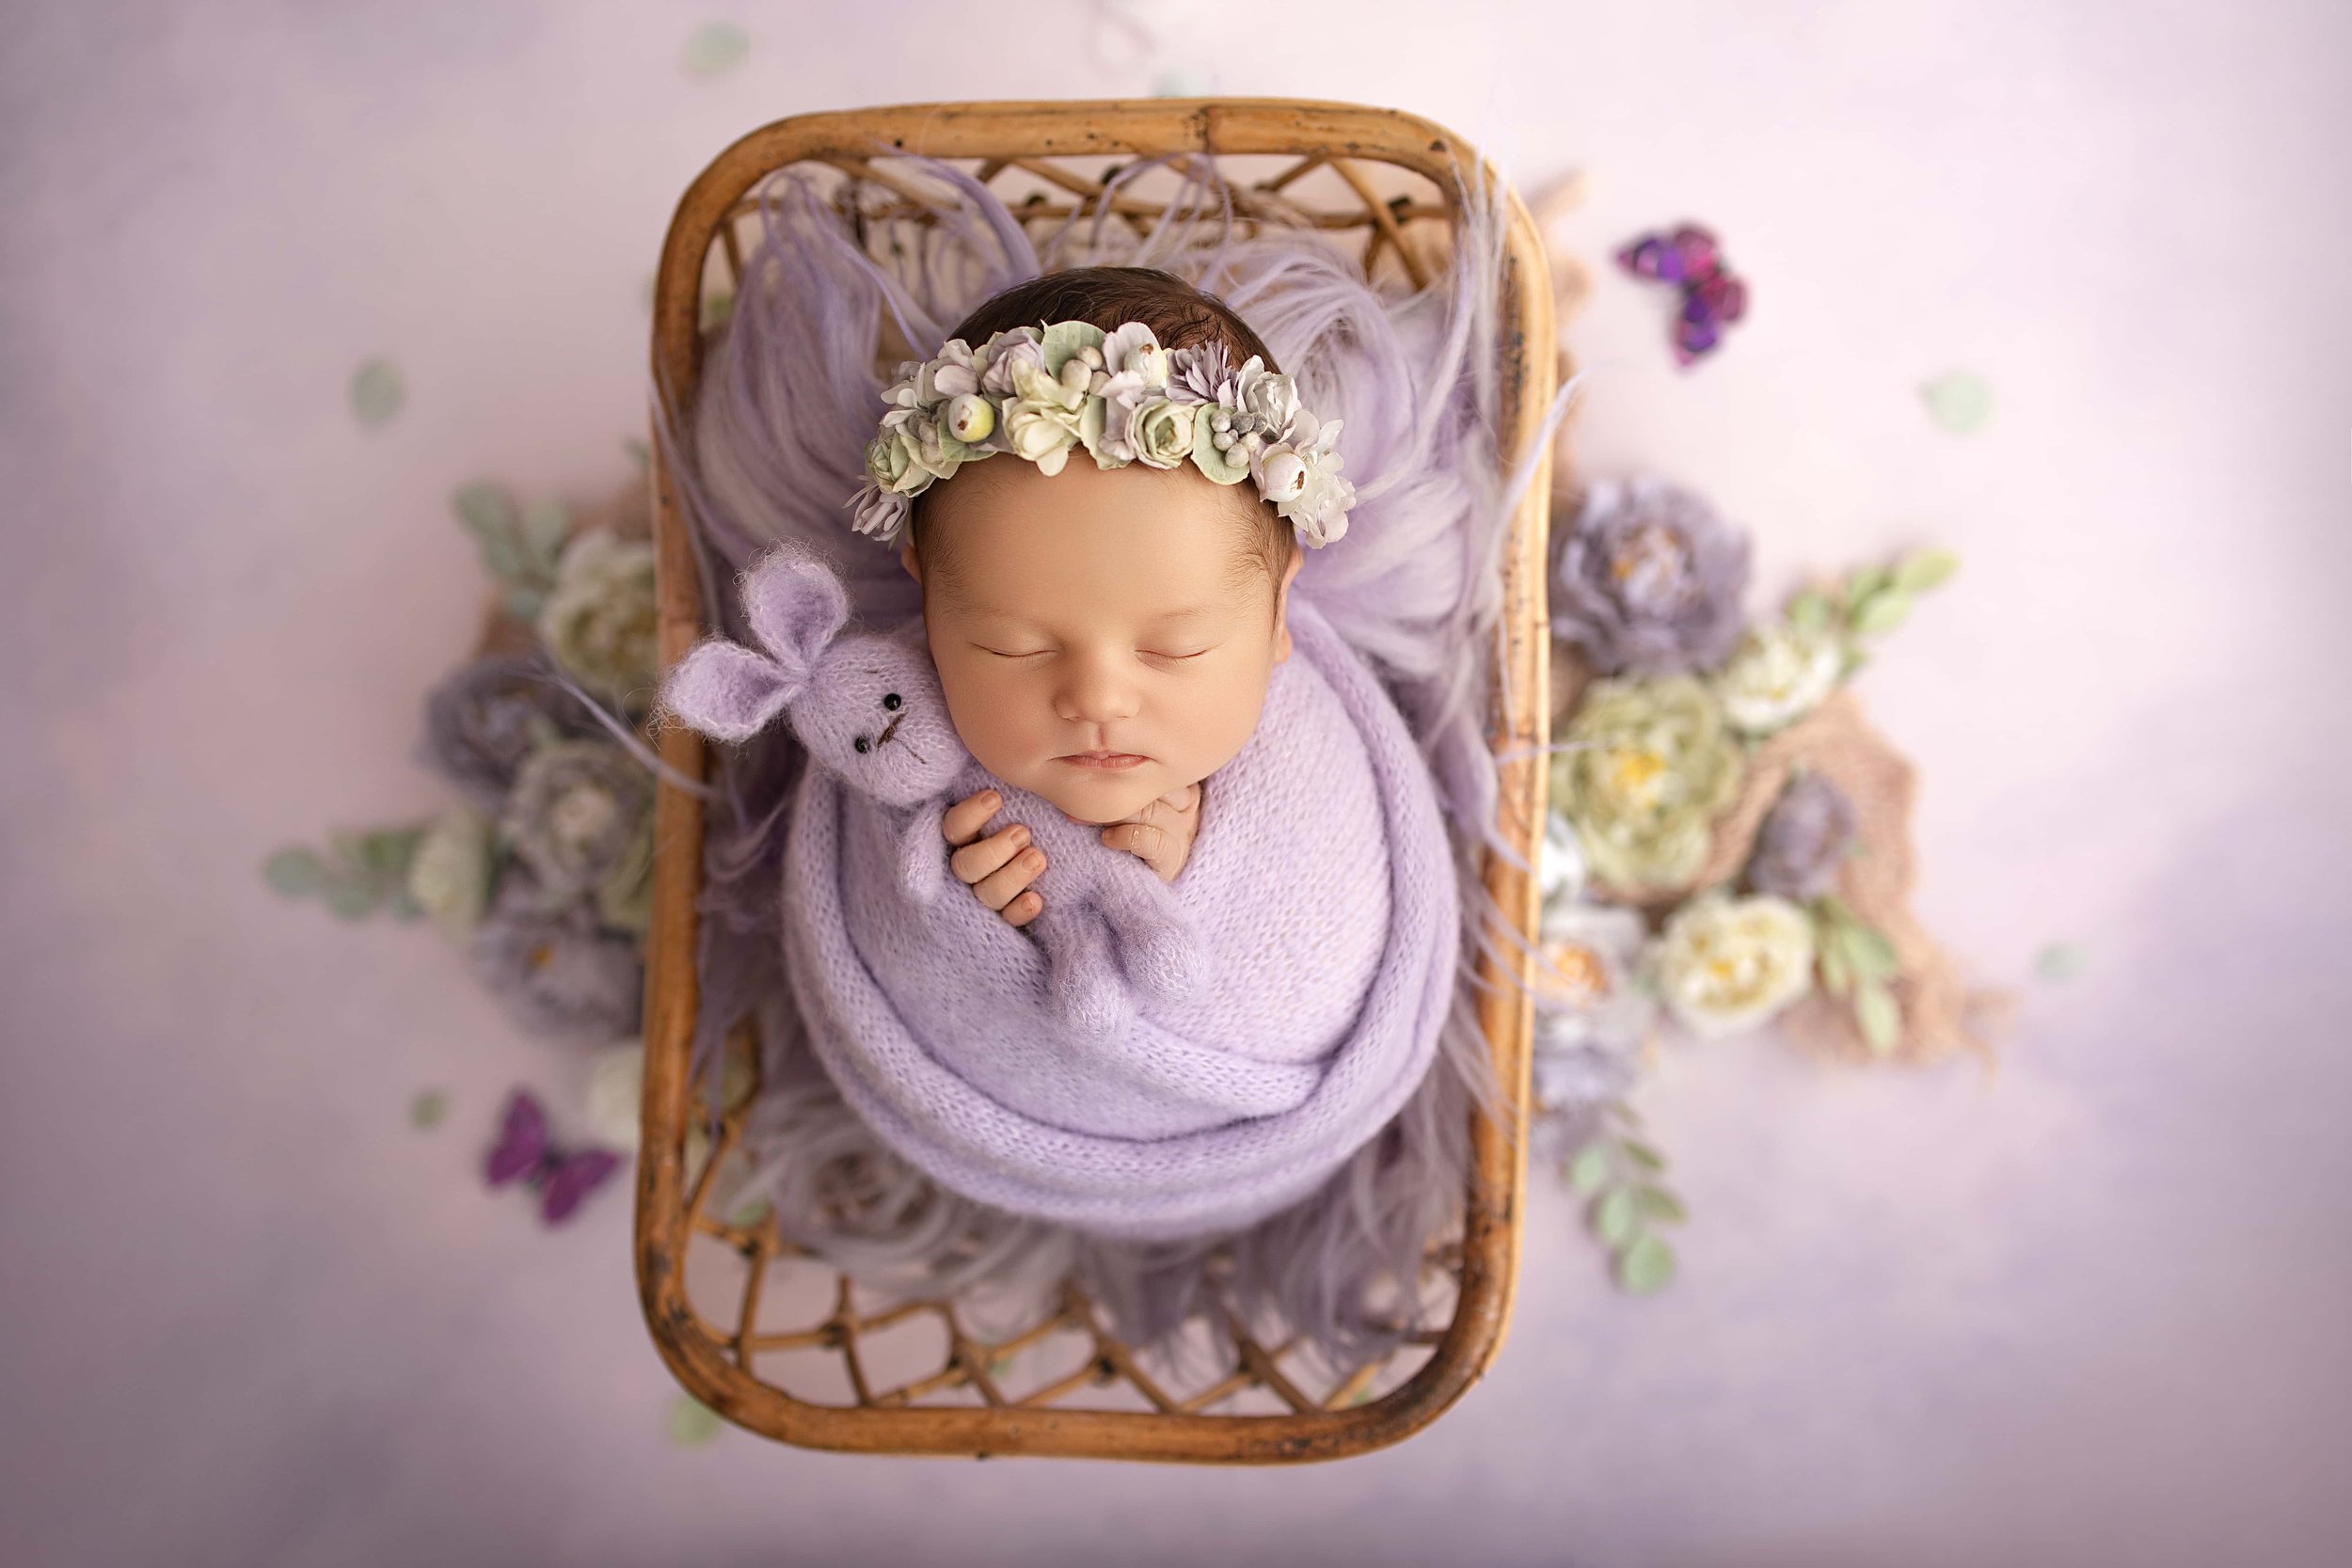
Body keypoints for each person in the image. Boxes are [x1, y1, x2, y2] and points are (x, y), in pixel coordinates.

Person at [855, 265, 1347, 929]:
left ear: (1277, 612)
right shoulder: (886, 733)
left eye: (1175, 648)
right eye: (1014, 647)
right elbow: (869, 920)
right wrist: (952, 914)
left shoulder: (1305, 763)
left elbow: (1326, 918)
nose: (1098, 700)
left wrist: (1198, 879)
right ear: (929, 612)